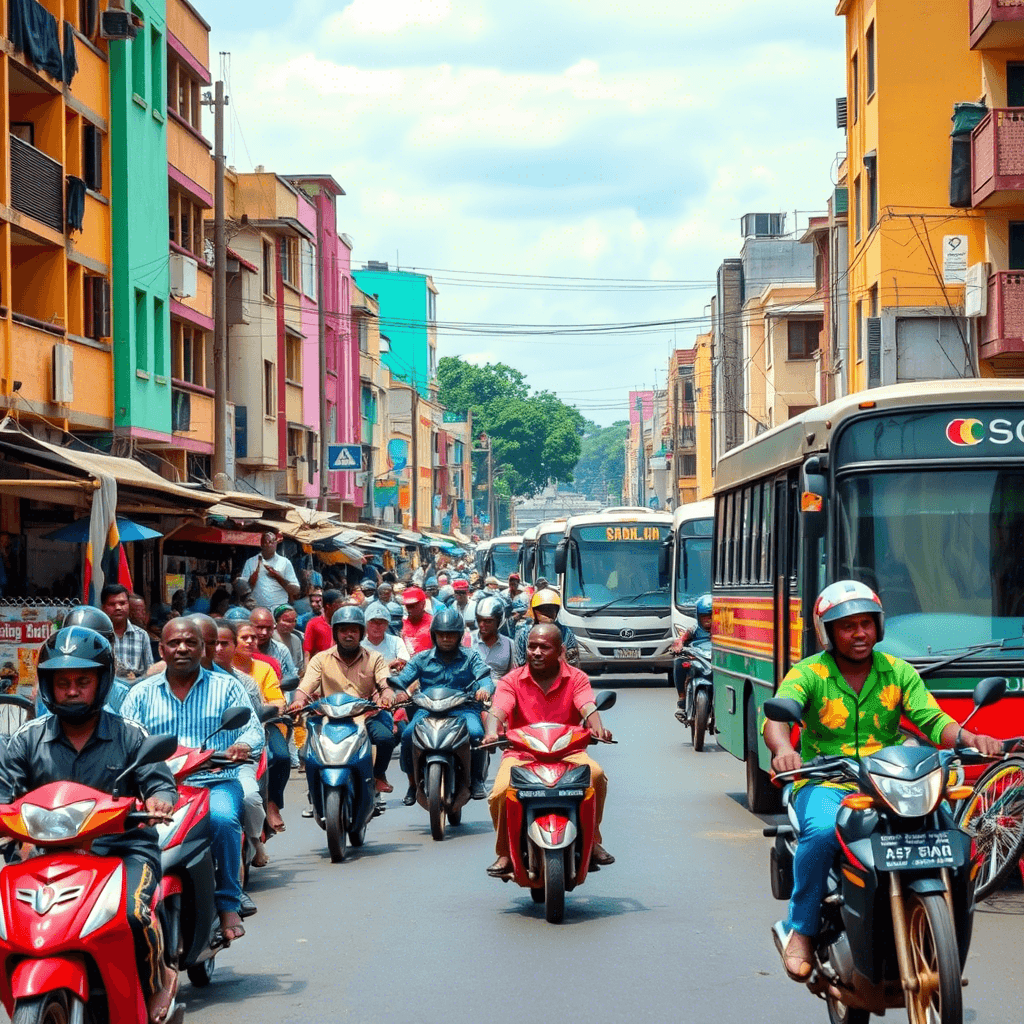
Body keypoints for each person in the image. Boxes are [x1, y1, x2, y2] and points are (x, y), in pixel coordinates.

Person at [763, 580, 1003, 982]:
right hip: (829, 780)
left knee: (947, 829)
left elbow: (932, 719)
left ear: (878, 627)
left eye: (866, 624)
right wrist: (783, 750)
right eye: (847, 626)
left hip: (891, 779)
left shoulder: (898, 672)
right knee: (822, 833)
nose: (859, 634)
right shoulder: (809, 673)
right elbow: (776, 719)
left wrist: (968, 738)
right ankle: (801, 930)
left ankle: (943, 933)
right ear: (828, 632)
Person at [0, 627, 179, 1022]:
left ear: (102, 682)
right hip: (43, 853)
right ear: (48, 685)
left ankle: (157, 978)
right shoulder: (26, 739)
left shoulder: (130, 735)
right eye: (62, 683)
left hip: (122, 850)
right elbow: (4, 793)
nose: (71, 690)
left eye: (82, 681)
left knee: (134, 914)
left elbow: (159, 782)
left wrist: (159, 800)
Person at [120, 619, 264, 945]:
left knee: (225, 820)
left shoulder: (225, 687)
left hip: (214, 780)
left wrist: (242, 745)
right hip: (157, 787)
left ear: (202, 648)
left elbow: (253, 729)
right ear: (162, 649)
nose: (181, 649)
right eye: (173, 643)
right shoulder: (140, 694)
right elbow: (124, 738)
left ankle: (228, 902)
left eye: (189, 643)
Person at [483, 622, 614, 877]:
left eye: (545, 647)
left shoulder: (576, 678)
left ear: (560, 650)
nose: (537, 652)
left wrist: (597, 728)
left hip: (568, 752)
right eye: (532, 646)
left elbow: (587, 706)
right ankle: (505, 853)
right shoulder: (511, 681)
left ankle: (593, 840)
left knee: (596, 776)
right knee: (499, 792)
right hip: (522, 754)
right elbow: (498, 709)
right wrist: (491, 731)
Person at [287, 606, 398, 794]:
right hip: (328, 717)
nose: (348, 635)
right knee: (309, 753)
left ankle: (378, 775)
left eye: (354, 630)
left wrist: (387, 696)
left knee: (386, 738)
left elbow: (385, 683)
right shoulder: (320, 659)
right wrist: (298, 701)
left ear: (361, 633)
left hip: (366, 715)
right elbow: (305, 688)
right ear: (336, 633)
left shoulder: (375, 658)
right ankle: (314, 791)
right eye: (343, 630)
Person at [392, 607, 493, 804]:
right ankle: (413, 784)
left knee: (476, 734)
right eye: (442, 634)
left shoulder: (471, 656)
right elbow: (402, 679)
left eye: (451, 635)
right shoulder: (421, 658)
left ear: (459, 637)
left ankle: (477, 780)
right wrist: (399, 692)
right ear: (434, 635)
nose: (446, 638)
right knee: (406, 735)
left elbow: (485, 677)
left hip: (463, 709)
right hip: (427, 710)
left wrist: (485, 689)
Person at [218, 620, 288, 842]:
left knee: (280, 757)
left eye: (252, 638)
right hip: (204, 755)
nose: (249, 641)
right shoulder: (183, 679)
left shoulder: (252, 678)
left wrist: (245, 743)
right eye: (213, 644)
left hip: (259, 727)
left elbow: (276, 703)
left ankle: (270, 808)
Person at [512, 589, 580, 668]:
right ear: (534, 612)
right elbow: (518, 663)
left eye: (552, 609)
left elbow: (573, 663)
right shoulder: (524, 633)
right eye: (543, 610)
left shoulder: (565, 633)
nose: (548, 614)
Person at [103, 583, 154, 680]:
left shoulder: (142, 635)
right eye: (112, 604)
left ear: (128, 606)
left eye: (122, 603)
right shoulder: (99, 636)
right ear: (104, 608)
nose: (118, 608)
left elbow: (149, 671)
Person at [673, 593, 713, 720]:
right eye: (704, 617)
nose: (707, 620)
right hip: (699, 660)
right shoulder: (694, 629)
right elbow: (682, 638)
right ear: (698, 616)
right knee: (679, 662)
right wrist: (679, 644)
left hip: (715, 663)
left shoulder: (721, 629)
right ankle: (682, 700)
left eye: (710, 616)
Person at [241, 532, 300, 610]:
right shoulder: (251, 562)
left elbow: (296, 590)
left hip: (279, 610)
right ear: (261, 544)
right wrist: (253, 577)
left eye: (273, 542)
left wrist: (277, 576)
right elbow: (243, 589)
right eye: (267, 542)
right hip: (257, 610)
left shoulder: (285, 562)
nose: (270, 545)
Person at [249, 606, 299, 687]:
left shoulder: (281, 650)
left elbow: (292, 676)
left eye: (269, 628)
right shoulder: (240, 649)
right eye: (260, 628)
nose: (264, 632)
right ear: (249, 626)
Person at [471, 596, 514, 684]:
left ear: (499, 621)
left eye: (488, 621)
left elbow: (513, 675)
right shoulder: (468, 640)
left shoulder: (510, 645)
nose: (482, 625)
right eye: (479, 620)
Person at [363, 601, 412, 673]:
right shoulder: (359, 644)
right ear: (366, 623)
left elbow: (404, 659)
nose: (377, 626)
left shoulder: (396, 641)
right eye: (373, 622)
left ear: (387, 624)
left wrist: (400, 663)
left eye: (381, 622)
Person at [303, 589, 344, 659]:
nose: (341, 606)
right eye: (338, 603)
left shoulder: (345, 623)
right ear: (328, 606)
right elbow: (308, 653)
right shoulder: (314, 624)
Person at [274, 604, 305, 678]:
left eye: (292, 621)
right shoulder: (270, 637)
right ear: (277, 620)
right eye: (286, 621)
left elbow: (299, 666)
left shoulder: (297, 639)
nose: (289, 624)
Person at [400, 586, 434, 654]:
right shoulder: (402, 623)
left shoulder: (433, 623)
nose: (410, 610)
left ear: (423, 604)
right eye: (407, 606)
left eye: (413, 606)